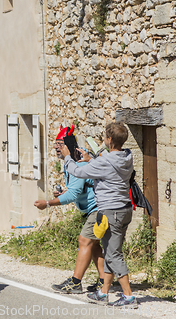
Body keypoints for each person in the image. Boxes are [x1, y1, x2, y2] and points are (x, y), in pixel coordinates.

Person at [62, 122, 137, 308]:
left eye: (105, 136)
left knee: (113, 254)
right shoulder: (127, 156)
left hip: (111, 212)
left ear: (109, 140)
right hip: (124, 209)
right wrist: (91, 160)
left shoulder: (104, 161)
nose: (104, 138)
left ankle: (128, 297)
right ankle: (103, 293)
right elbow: (107, 165)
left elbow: (77, 171)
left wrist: (67, 158)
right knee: (110, 248)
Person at [34, 124, 104, 294]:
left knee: (84, 241)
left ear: (69, 146)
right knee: (93, 245)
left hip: (98, 209)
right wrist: (63, 193)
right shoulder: (71, 162)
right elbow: (78, 188)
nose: (56, 147)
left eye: (60, 144)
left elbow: (73, 195)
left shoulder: (78, 164)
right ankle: (104, 280)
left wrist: (49, 203)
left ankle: (75, 282)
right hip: (94, 209)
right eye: (55, 144)